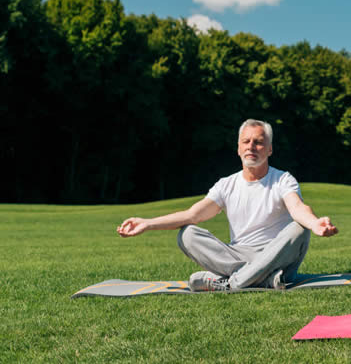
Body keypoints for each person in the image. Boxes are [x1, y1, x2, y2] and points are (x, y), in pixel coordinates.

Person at [117, 119, 337, 291]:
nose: (252, 146)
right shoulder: (226, 185)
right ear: (238, 148)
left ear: (269, 149)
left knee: (300, 228)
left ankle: (233, 283)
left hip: (276, 256)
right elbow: (193, 214)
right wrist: (147, 223)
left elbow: (298, 208)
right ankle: (261, 280)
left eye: (259, 142)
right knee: (187, 234)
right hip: (237, 256)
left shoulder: (282, 180)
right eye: (246, 141)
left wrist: (315, 223)